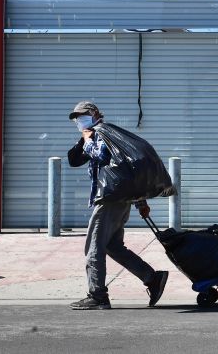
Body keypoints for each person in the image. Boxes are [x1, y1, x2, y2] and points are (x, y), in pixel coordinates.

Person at [66, 101, 168, 310]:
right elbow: (122, 169)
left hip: (108, 201)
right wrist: (140, 202)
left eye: (82, 115)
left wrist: (87, 139)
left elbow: (102, 155)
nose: (79, 120)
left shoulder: (101, 133)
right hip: (119, 201)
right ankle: (152, 278)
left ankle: (97, 295)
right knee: (113, 246)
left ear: (94, 114)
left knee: (94, 247)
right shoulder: (102, 133)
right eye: (76, 117)